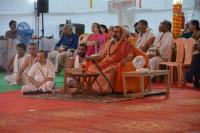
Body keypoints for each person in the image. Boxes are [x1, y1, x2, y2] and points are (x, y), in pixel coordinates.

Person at [87, 26, 134, 94]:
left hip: (116, 64)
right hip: (105, 63)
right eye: (114, 32)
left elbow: (129, 57)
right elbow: (102, 56)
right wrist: (91, 58)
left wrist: (118, 64)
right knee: (92, 67)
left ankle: (106, 90)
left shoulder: (127, 44)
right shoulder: (110, 43)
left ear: (121, 34)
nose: (114, 34)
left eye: (117, 32)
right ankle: (95, 89)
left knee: (111, 70)